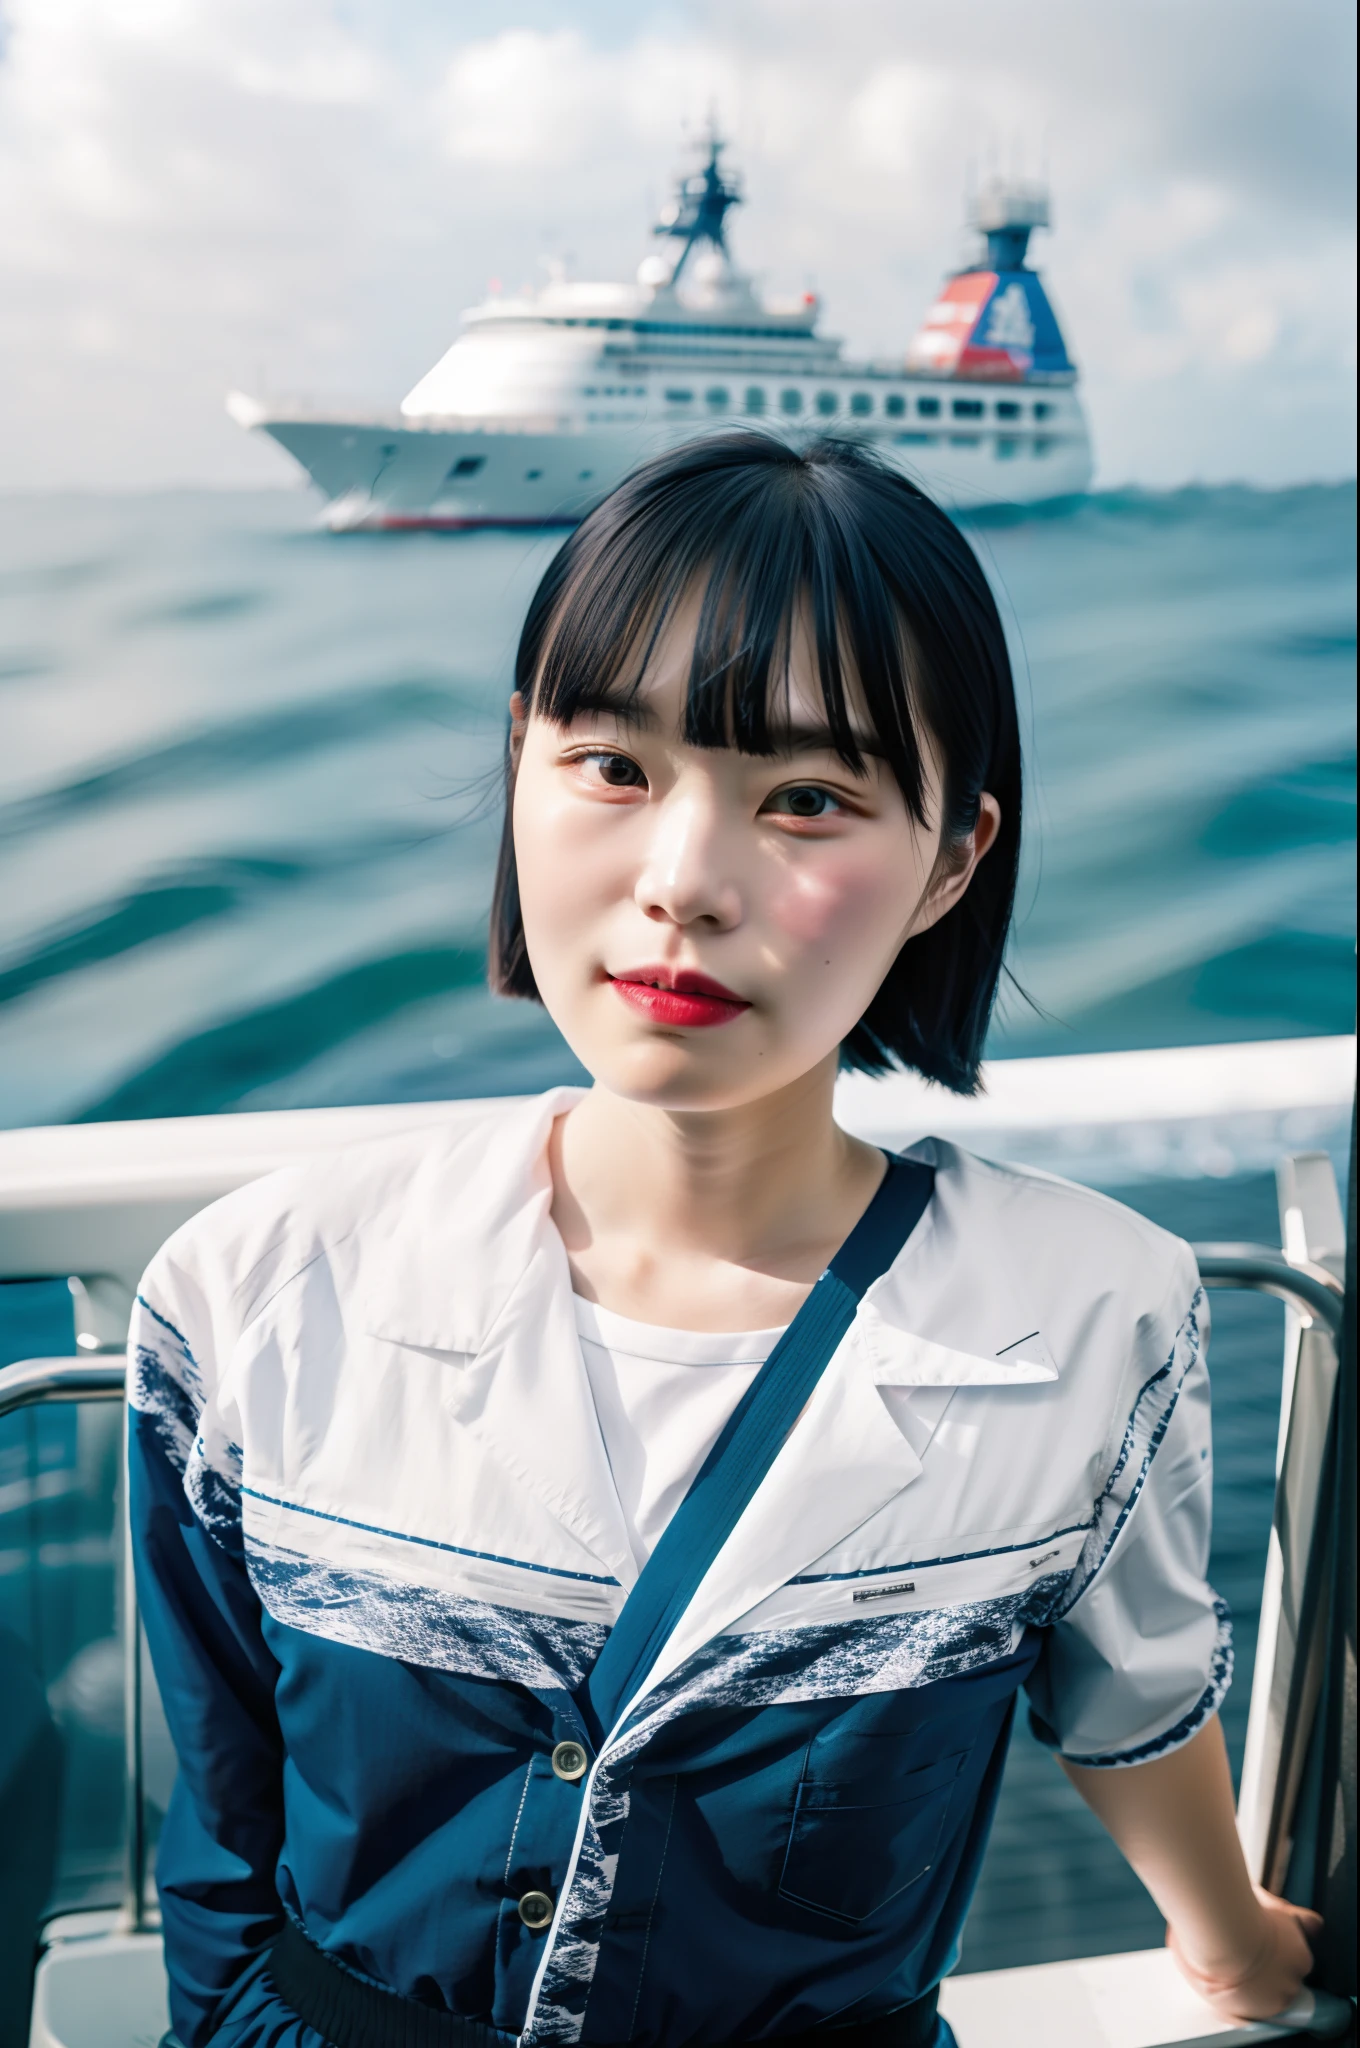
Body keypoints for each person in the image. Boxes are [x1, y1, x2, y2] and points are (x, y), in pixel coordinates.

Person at [129, 434, 1319, 2048]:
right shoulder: (253, 1294)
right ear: (519, 760)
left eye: (810, 800)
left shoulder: (1093, 1318)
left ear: (953, 861)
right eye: (613, 767)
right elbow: (218, 1825)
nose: (683, 882)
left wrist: (1235, 1948)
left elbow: (1135, 1703)